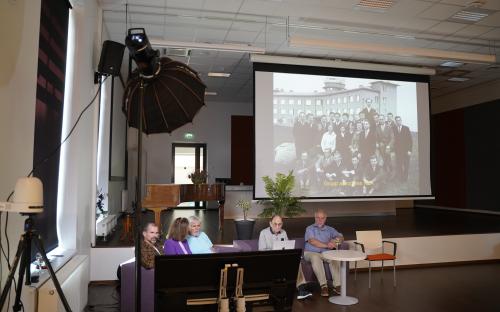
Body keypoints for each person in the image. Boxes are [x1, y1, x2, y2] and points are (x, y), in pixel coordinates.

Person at [258, 215, 312, 300]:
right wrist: (274, 249)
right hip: (269, 260)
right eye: (275, 224)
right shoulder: (263, 233)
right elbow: (261, 251)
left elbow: (287, 247)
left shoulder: (284, 232)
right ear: (270, 224)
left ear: (282, 224)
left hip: (282, 259)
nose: (277, 226)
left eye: (279, 224)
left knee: (296, 261)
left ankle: (301, 289)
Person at [303, 209, 343, 297]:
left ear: (325, 218)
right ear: (315, 217)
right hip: (311, 252)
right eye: (318, 218)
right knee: (315, 258)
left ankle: (337, 285)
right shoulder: (309, 228)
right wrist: (327, 245)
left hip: (326, 253)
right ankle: (323, 286)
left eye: (322, 218)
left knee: (334, 258)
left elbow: (340, 236)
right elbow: (312, 241)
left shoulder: (330, 229)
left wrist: (335, 241)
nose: (320, 220)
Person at [393, 116, 412, 182]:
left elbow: (410, 141)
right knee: (399, 165)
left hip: (406, 151)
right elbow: (393, 140)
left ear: (401, 121)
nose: (398, 122)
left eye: (399, 120)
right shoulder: (394, 129)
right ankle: (401, 178)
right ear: (395, 122)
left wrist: (409, 150)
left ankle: (405, 178)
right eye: (397, 121)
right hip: (398, 151)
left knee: (406, 165)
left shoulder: (406, 128)